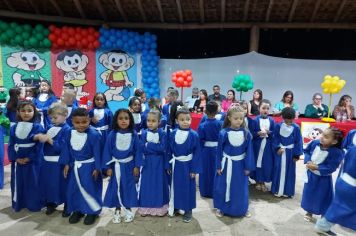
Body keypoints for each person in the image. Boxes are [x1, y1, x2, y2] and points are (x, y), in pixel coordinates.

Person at [60, 108, 102, 225]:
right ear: (72, 121)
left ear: (89, 120)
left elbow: (98, 152)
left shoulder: (94, 134)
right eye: (77, 122)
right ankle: (77, 210)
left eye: (84, 122)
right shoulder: (69, 132)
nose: (81, 125)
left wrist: (97, 168)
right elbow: (67, 149)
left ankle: (92, 211)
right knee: (74, 189)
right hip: (74, 166)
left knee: (90, 188)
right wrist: (67, 164)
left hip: (89, 166)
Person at [102, 109, 143, 223]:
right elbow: (107, 151)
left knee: (128, 186)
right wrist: (107, 168)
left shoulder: (133, 134)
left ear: (130, 120)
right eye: (120, 118)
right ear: (116, 120)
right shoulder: (112, 134)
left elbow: (138, 151)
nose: (123, 121)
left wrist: (137, 166)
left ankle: (128, 208)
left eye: (126, 118)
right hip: (116, 166)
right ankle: (117, 209)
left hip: (129, 166)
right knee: (115, 186)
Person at [214, 106, 255, 218]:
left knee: (240, 188)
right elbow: (219, 151)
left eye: (241, 118)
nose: (239, 121)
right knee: (223, 186)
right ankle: (222, 208)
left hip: (240, 166)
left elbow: (249, 152)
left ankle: (242, 208)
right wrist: (218, 166)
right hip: (226, 165)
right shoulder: (223, 133)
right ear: (229, 118)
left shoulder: (247, 134)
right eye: (236, 118)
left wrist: (248, 167)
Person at [8, 101, 45, 212]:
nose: (26, 113)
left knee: (33, 182)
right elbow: (11, 144)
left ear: (34, 112)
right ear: (18, 112)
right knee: (19, 182)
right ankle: (20, 202)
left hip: (32, 161)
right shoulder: (13, 127)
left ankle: (33, 203)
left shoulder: (38, 127)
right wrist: (15, 158)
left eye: (29, 110)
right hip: (18, 160)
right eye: (23, 111)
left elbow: (39, 146)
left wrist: (30, 157)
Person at [301, 127, 343, 223]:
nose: (322, 137)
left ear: (334, 142)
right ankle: (309, 211)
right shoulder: (315, 143)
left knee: (322, 195)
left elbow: (332, 166)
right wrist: (308, 160)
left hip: (323, 178)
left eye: (326, 137)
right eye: (323, 134)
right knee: (309, 193)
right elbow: (306, 151)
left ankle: (324, 214)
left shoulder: (336, 152)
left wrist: (317, 167)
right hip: (310, 175)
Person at [167, 107, 201, 223]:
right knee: (175, 186)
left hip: (188, 166)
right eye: (182, 119)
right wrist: (168, 166)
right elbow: (168, 151)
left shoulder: (194, 135)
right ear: (177, 121)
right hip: (176, 165)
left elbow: (197, 154)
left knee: (188, 188)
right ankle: (176, 206)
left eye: (188, 119)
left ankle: (188, 210)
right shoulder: (172, 134)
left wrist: (194, 170)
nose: (185, 122)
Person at [38, 103, 71, 216]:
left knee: (62, 184)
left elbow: (61, 147)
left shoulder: (67, 130)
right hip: (47, 162)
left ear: (65, 115)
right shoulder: (50, 128)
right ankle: (51, 203)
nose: (52, 120)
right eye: (51, 118)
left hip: (58, 162)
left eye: (55, 117)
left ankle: (68, 204)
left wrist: (49, 140)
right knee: (49, 184)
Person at [315, 145, 356, 234]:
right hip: (353, 187)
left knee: (338, 206)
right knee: (343, 208)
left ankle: (322, 225)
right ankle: (322, 226)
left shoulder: (353, 148)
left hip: (343, 181)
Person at [138, 110, 169, 216]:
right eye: (148, 121)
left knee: (158, 183)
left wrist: (148, 145)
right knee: (147, 184)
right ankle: (146, 207)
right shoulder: (143, 133)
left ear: (159, 122)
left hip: (159, 163)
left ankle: (160, 207)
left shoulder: (163, 133)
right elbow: (141, 147)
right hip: (147, 163)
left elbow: (162, 148)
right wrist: (152, 147)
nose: (150, 123)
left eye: (153, 121)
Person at [271, 107, 303, 198]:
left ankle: (287, 191)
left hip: (290, 152)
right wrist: (277, 148)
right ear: (283, 118)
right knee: (278, 169)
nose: (289, 123)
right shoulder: (278, 126)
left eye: (290, 121)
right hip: (280, 152)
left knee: (290, 171)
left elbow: (298, 141)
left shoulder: (296, 127)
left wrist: (296, 155)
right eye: (286, 121)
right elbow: (275, 138)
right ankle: (276, 189)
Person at [197, 101, 222, 198]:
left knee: (205, 170)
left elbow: (200, 140)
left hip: (205, 150)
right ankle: (214, 190)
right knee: (215, 170)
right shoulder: (220, 124)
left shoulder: (202, 125)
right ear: (217, 111)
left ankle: (204, 191)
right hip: (217, 150)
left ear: (205, 111)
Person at [252, 99, 275, 192]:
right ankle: (258, 181)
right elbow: (251, 133)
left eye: (267, 108)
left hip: (267, 146)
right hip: (257, 145)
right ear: (259, 108)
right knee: (258, 162)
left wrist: (269, 133)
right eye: (263, 108)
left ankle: (263, 181)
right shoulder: (255, 120)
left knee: (266, 163)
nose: (265, 110)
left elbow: (275, 133)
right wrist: (257, 133)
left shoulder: (272, 120)